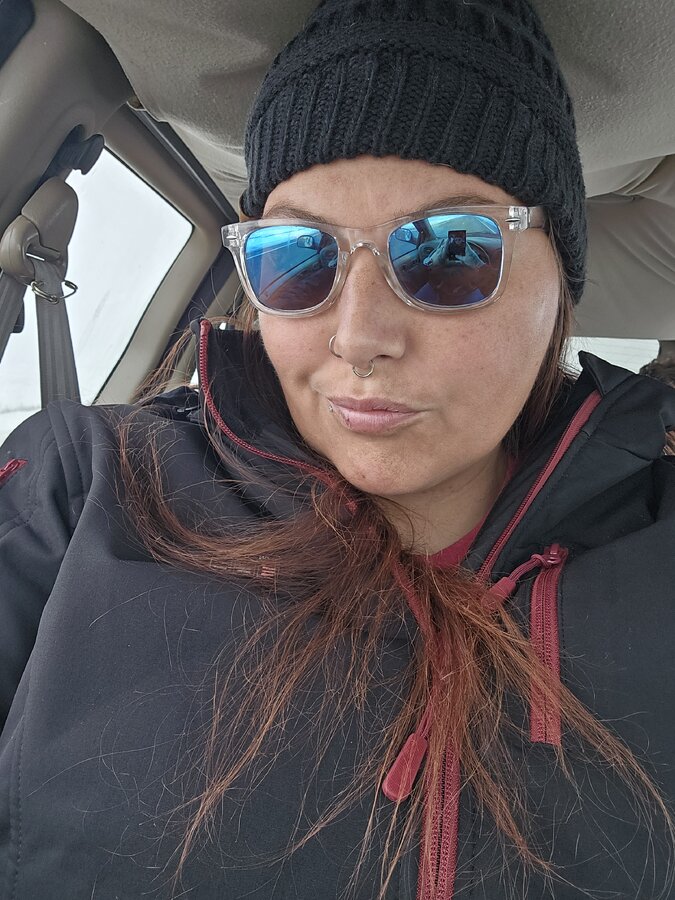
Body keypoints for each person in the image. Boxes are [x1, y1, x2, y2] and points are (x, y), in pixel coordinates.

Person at [1, 1, 675, 898]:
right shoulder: (82, 486)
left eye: (450, 253)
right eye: (297, 255)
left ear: (560, 287)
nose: (357, 337)